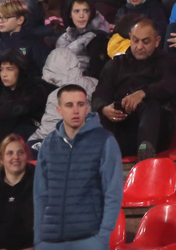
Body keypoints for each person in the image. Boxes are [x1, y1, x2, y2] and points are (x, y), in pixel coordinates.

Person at [31, 85, 123, 250]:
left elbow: (113, 193)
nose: (75, 110)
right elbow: (40, 194)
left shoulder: (104, 140)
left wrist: (102, 237)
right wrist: (39, 237)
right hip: (49, 241)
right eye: (69, 105)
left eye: (80, 104)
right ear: (59, 110)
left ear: (87, 108)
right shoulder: (48, 144)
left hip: (89, 239)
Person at [91, 19, 176, 160]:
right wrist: (105, 109)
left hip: (156, 131)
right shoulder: (115, 64)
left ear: (157, 41)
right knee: (99, 115)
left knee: (150, 103)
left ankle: (145, 151)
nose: (139, 47)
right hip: (122, 127)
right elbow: (99, 94)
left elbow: (170, 85)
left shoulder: (168, 61)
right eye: (135, 41)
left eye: (145, 42)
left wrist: (142, 93)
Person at [0, 134, 33, 250]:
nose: (16, 157)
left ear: (27, 156)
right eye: (10, 153)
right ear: (2, 159)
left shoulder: (38, 183)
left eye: (21, 152)